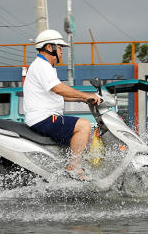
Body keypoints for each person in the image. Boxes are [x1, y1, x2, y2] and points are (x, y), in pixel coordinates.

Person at [24, 29, 101, 179]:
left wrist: (84, 99)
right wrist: (86, 95)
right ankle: (73, 168)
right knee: (83, 125)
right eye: (59, 48)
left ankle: (68, 168)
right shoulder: (42, 66)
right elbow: (59, 89)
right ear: (49, 47)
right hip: (43, 118)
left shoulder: (46, 67)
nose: (61, 52)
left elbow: (59, 95)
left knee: (80, 132)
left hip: (45, 117)